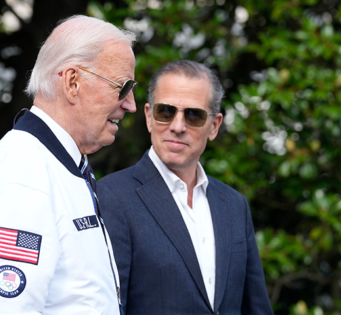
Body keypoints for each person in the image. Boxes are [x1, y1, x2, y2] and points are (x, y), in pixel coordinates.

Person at [0, 15, 137, 315]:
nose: (130, 104)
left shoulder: (54, 165)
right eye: (122, 86)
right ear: (73, 82)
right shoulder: (25, 178)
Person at [98, 60, 274, 315]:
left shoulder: (235, 205)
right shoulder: (112, 197)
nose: (177, 126)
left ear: (214, 125)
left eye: (193, 115)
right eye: (166, 112)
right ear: (148, 117)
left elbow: (256, 308)